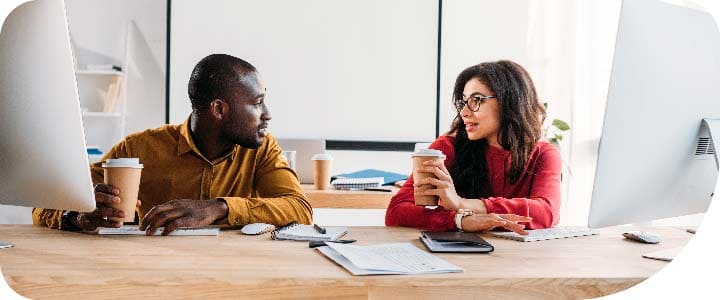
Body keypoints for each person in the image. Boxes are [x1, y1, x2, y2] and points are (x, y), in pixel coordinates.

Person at [33, 54, 312, 235]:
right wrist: (77, 217)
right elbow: (43, 206)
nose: (267, 114)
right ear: (219, 110)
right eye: (258, 103)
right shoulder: (139, 148)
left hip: (235, 272)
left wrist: (218, 208)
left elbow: (299, 209)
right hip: (156, 279)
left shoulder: (262, 149)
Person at [385, 60, 561, 234]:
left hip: (520, 258)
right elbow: (396, 212)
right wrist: (460, 220)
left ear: (510, 102)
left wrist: (462, 204)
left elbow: (546, 212)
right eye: (464, 102)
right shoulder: (446, 148)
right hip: (459, 257)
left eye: (477, 100)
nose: (464, 112)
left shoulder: (544, 153)